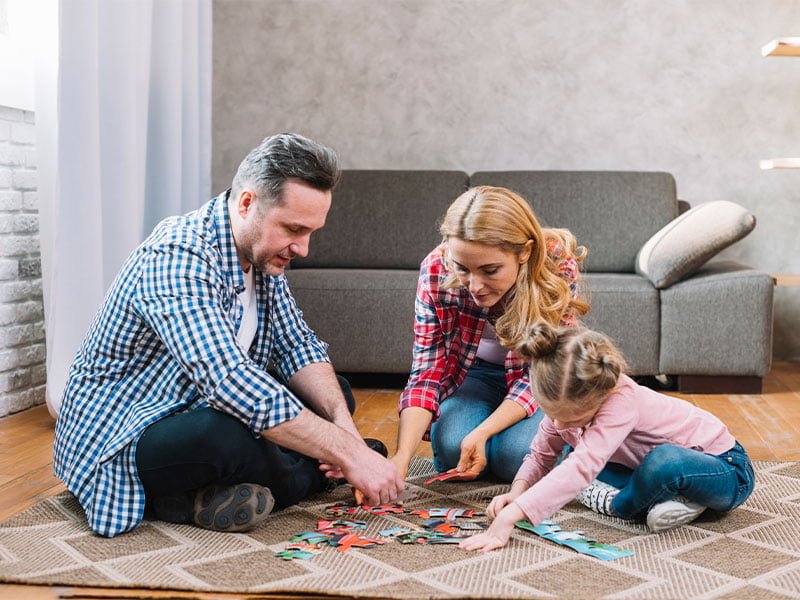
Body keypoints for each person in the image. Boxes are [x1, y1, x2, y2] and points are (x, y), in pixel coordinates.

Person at [53, 133, 403, 538]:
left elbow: (297, 347)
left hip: (195, 404)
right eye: (293, 228)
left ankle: (198, 496)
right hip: (124, 434)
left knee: (334, 393)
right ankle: (305, 480)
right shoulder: (176, 255)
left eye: (311, 232)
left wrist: (346, 434)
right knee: (224, 437)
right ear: (247, 203)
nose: (303, 248)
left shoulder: (261, 255)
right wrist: (350, 455)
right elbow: (229, 380)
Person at [459, 321, 755, 552]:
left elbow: (583, 466)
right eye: (552, 414)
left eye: (572, 417)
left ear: (601, 395)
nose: (559, 423)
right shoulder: (564, 409)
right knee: (566, 455)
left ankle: (619, 505)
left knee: (661, 461)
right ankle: (672, 500)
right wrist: (517, 492)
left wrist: (509, 519)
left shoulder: (621, 399)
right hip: (638, 465)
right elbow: (541, 454)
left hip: (724, 468)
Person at [392, 186, 590, 483]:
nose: (474, 285)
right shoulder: (436, 268)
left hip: (541, 379)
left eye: (490, 270)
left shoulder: (554, 266)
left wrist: (483, 432)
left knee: (516, 458)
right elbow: (427, 372)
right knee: (452, 452)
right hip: (473, 375)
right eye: (463, 268)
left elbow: (541, 372)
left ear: (524, 252)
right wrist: (400, 460)